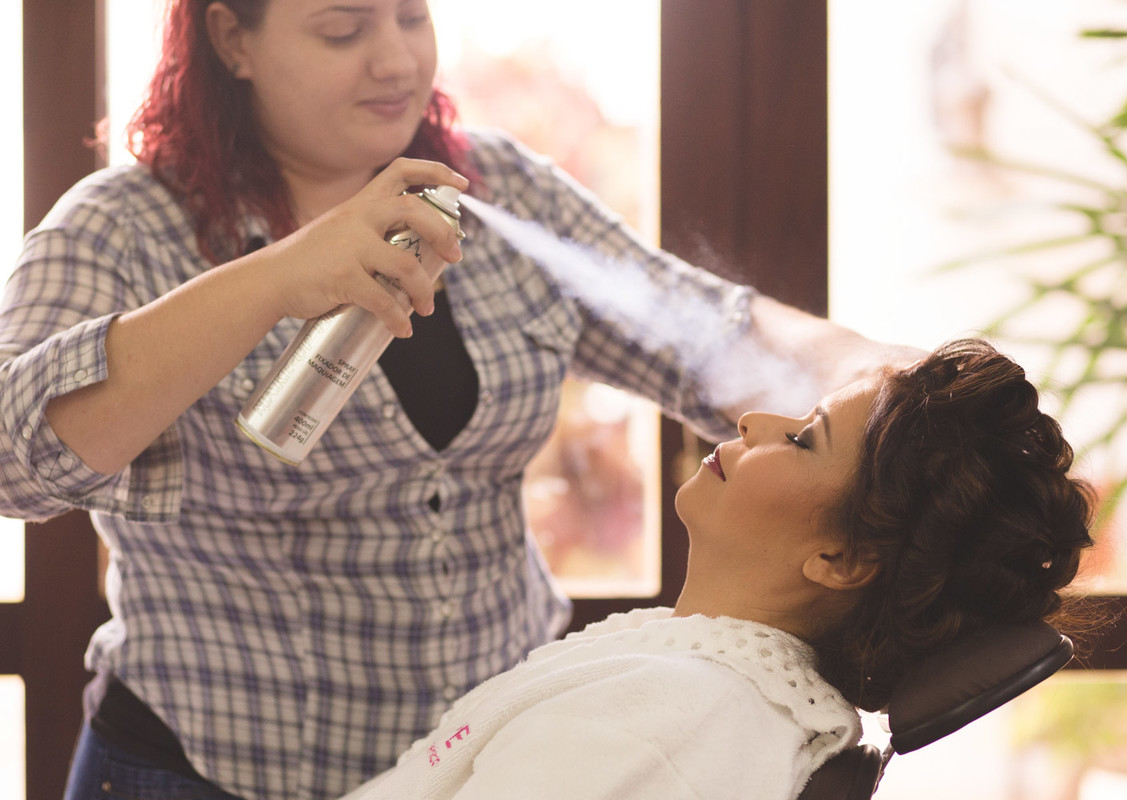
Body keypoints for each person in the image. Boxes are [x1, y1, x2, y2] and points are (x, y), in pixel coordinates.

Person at [0, 2, 918, 799]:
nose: (395, 58)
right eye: (343, 29)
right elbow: (13, 460)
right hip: (203, 772)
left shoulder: (499, 191)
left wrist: (897, 380)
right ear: (232, 39)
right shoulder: (121, 227)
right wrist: (274, 279)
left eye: (413, 15)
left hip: (487, 767)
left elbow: (702, 333)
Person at [334, 339, 1097, 800]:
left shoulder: (670, 719)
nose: (752, 421)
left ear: (842, 558)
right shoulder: (693, 686)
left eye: (802, 440)